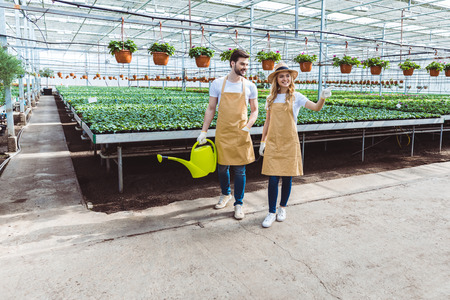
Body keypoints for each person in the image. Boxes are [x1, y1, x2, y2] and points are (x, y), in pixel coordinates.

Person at [259, 62, 332, 228]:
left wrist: (323, 98)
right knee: (272, 178)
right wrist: (263, 141)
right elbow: (268, 122)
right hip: (274, 141)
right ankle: (271, 212)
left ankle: (282, 208)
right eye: (281, 76)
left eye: (287, 76)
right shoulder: (270, 99)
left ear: (291, 78)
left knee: (287, 176)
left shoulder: (296, 96)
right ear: (276, 80)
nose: (285, 79)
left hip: (290, 141)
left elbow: (316, 108)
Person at [197, 49, 258, 220]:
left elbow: (255, 111)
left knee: (240, 170)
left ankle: (239, 203)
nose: (245, 67)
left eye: (247, 64)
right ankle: (226, 194)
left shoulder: (250, 86)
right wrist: (204, 131)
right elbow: (211, 108)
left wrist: (248, 126)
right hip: (223, 132)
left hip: (241, 132)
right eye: (242, 64)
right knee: (222, 168)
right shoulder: (217, 83)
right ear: (233, 63)